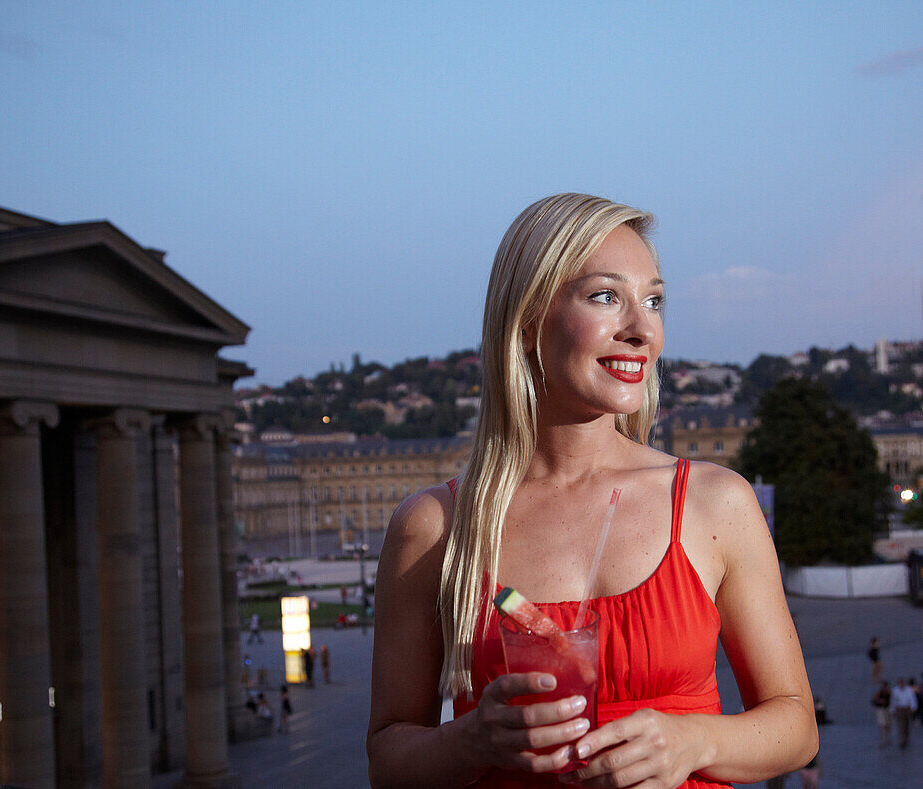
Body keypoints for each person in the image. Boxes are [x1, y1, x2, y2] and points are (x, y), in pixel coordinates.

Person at [367, 194, 819, 788]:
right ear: (529, 319)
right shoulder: (435, 526)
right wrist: (469, 742)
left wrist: (693, 739)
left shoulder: (714, 503)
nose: (641, 330)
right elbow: (388, 758)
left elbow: (796, 726)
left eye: (654, 301)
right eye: (606, 296)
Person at [891, 676, 917, 748]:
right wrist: (892, 710)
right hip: (900, 709)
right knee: (901, 725)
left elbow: (912, 699)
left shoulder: (909, 690)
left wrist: (913, 707)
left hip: (907, 708)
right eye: (900, 682)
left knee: (907, 725)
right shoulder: (895, 690)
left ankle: (906, 738)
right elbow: (893, 701)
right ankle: (902, 740)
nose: (901, 684)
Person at [873, 680, 892, 748]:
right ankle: (883, 740)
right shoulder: (879, 692)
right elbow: (874, 699)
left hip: (887, 709)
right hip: (881, 709)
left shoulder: (889, 692)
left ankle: (887, 738)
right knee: (882, 725)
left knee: (888, 725)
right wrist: (880, 701)